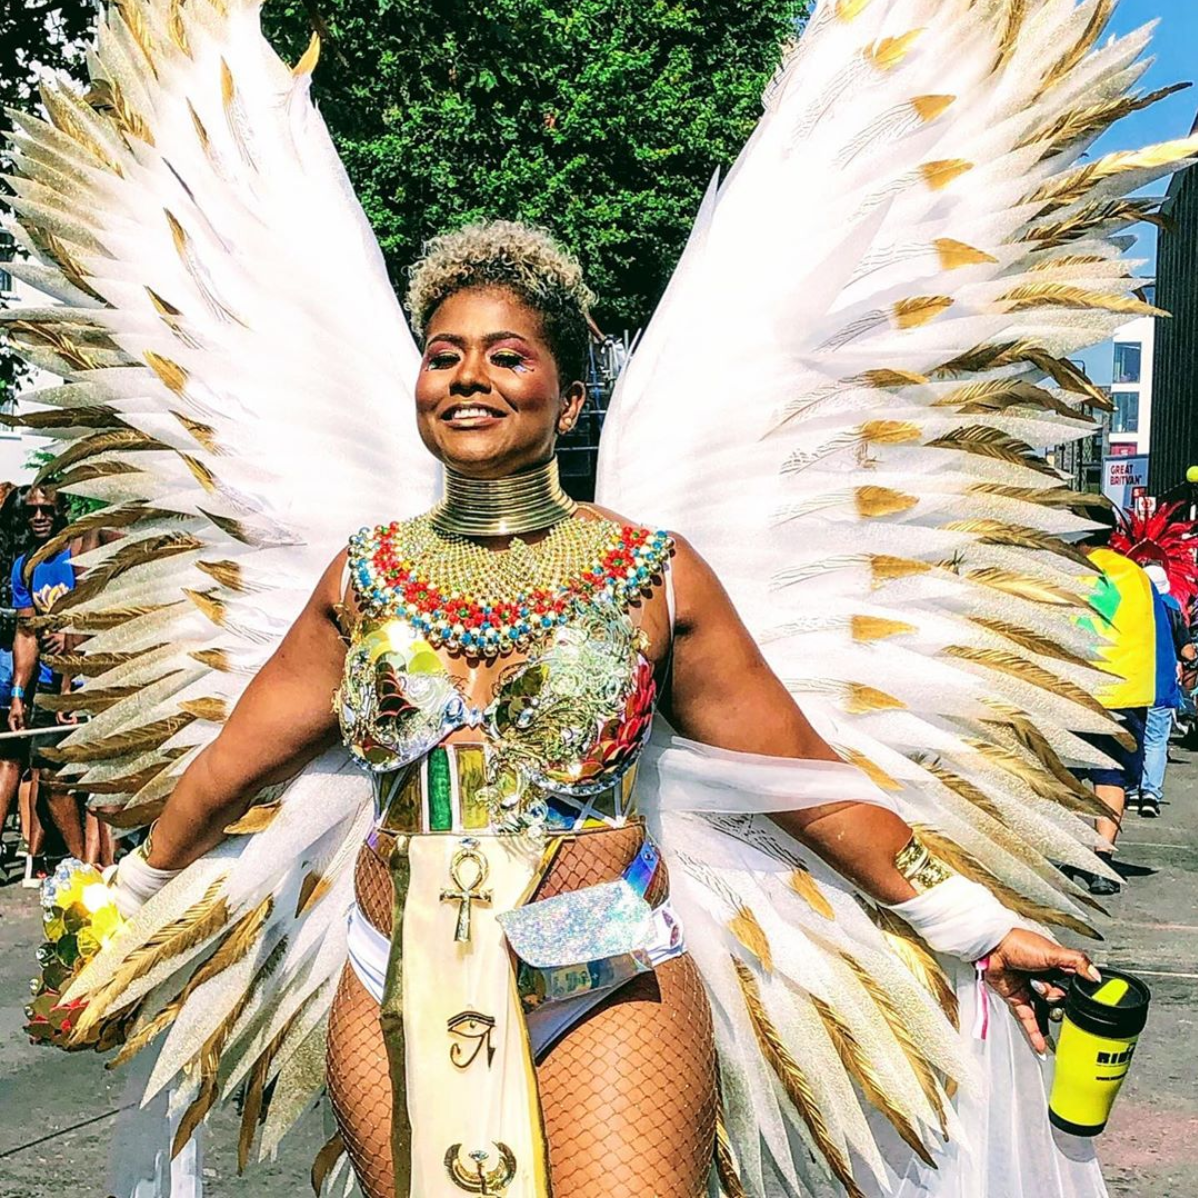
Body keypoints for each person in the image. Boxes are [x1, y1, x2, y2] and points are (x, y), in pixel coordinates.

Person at [13, 2, 1192, 1196]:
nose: (468, 376)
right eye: (443, 353)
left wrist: (975, 925)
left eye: (507, 355)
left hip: (600, 961)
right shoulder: (361, 575)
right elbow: (231, 765)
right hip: (392, 959)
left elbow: (805, 779)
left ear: (568, 399)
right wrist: (121, 910)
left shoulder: (653, 570)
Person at [1073, 514, 1159, 895]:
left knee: (1063, 773)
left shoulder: (1071, 571)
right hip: (1125, 691)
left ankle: (1065, 849)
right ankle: (1102, 859)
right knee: (1111, 776)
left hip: (1075, 690)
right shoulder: (1136, 575)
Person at [7, 486, 90, 866]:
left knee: (95, 778)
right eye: (32, 511)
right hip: (47, 683)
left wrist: (71, 635)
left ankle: (102, 862)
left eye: (46, 509)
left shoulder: (80, 553)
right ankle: (80, 861)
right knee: (49, 776)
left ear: (62, 510)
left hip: (89, 682)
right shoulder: (25, 566)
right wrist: (18, 694)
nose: (39, 517)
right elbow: (26, 634)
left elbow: (97, 609)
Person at [1138, 563, 1194, 818]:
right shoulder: (1171, 607)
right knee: (1156, 741)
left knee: (1134, 735)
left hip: (1134, 681)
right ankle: (1150, 794)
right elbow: (1187, 651)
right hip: (1162, 683)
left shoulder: (1133, 605)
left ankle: (1130, 789)